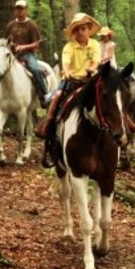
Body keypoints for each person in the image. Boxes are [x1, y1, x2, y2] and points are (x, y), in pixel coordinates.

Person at [35, 12, 101, 167]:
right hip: (72, 81)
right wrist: (69, 73)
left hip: (91, 80)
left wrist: (90, 71)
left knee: (108, 97)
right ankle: (48, 124)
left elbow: (95, 62)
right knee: (57, 96)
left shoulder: (95, 45)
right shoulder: (68, 47)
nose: (80, 32)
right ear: (73, 32)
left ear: (88, 29)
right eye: (77, 29)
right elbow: (65, 64)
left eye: (83, 29)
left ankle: (120, 131)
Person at [3, 0, 50, 107]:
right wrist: (12, 46)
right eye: (18, 9)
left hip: (27, 55)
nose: (20, 11)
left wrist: (24, 47)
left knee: (35, 69)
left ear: (26, 10)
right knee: (0, 69)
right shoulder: (10, 25)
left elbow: (37, 44)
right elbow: (5, 41)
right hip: (12, 55)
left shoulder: (31, 25)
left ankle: (44, 95)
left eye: (22, 9)